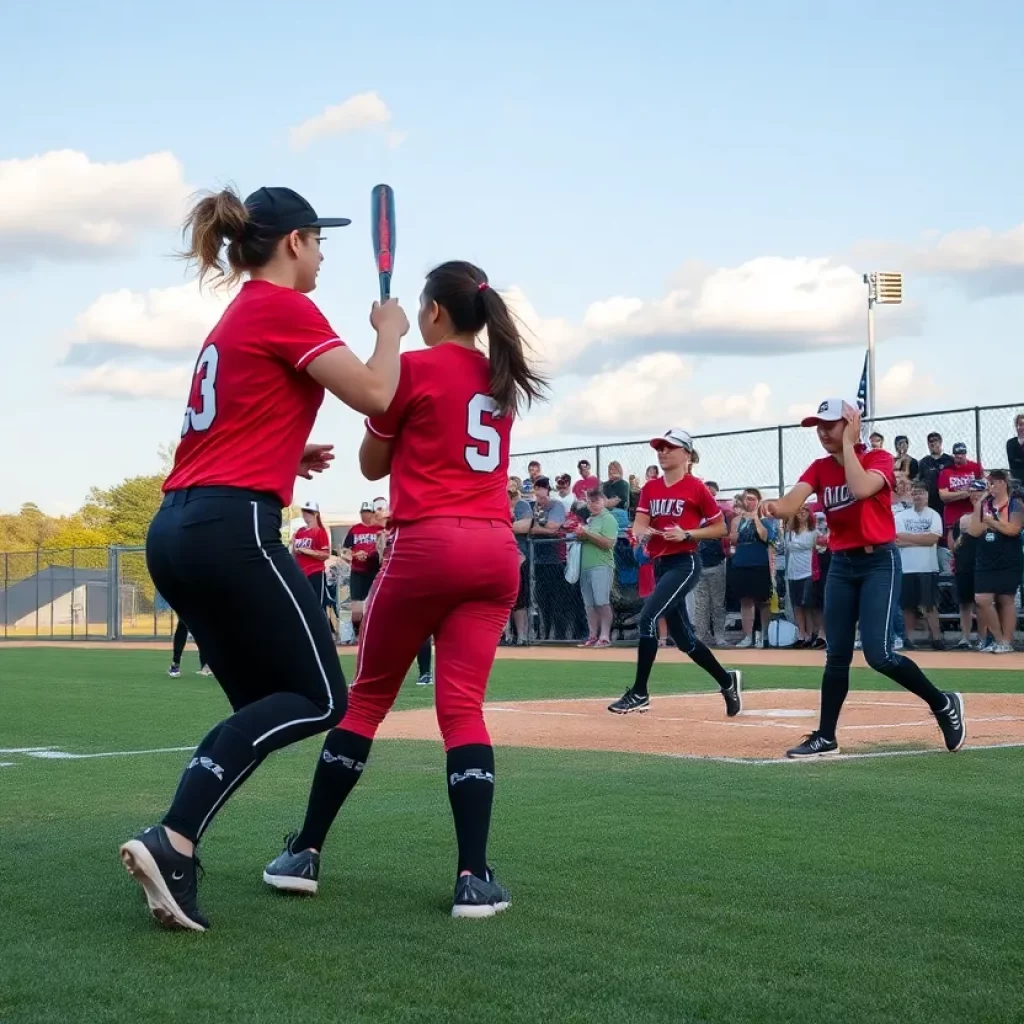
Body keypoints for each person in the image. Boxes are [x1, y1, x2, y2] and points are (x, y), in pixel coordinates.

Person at [118, 183, 409, 932]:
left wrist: (286, 448)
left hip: (178, 525)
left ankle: (176, 846)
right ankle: (171, 838)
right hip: (230, 525)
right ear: (294, 243)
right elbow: (378, 394)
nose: (320, 256)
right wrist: (389, 330)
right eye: (317, 241)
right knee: (318, 699)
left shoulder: (239, 311)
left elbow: (235, 413)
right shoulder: (286, 307)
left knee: (261, 705)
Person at [263, 260, 547, 919]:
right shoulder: (501, 378)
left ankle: (304, 853)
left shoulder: (415, 367)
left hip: (429, 543)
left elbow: (370, 462)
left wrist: (385, 341)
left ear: (435, 313)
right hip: (494, 549)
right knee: (462, 710)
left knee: (365, 703)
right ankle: (473, 877)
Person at [762, 399, 966, 759]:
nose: (823, 432)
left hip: (878, 562)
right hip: (841, 565)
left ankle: (943, 703)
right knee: (836, 655)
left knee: (880, 654)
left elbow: (858, 488)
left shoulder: (878, 459)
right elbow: (793, 500)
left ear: (852, 425)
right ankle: (826, 736)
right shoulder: (820, 467)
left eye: (831, 425)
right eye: (819, 427)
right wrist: (775, 507)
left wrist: (849, 446)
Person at [607, 429, 742, 717]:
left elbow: (719, 529)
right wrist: (642, 534)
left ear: (687, 454)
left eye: (670, 447)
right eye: (660, 447)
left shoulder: (696, 487)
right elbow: (640, 524)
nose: (662, 451)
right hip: (662, 565)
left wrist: (687, 534)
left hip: (686, 562)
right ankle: (727, 681)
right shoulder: (652, 487)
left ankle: (640, 693)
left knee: (648, 617)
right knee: (686, 642)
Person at [966, 469, 1023, 654]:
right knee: (982, 599)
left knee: (1006, 599)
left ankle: (1006, 641)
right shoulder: (985, 505)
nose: (993, 485)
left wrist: (992, 522)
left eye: (997, 481)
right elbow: (974, 531)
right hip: (986, 558)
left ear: (1004, 483)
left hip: (1008, 557)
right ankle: (998, 638)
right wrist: (980, 502)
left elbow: (1013, 529)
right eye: (991, 481)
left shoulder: (1015, 504)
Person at [894, 481, 945, 650]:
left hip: (927, 567)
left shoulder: (934, 515)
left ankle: (937, 639)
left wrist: (909, 538)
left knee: (929, 606)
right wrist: (922, 538)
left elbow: (933, 539)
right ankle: (907, 639)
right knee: (907, 607)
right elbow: (897, 541)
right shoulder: (900, 516)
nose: (918, 496)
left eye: (921, 493)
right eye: (915, 493)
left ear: (927, 495)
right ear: (910, 495)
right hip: (907, 567)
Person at [575, 488, 619, 647]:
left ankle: (605, 636)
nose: (593, 504)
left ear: (603, 501)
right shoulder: (590, 520)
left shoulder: (608, 519)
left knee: (601, 601)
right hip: (586, 566)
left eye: (596, 501)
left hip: (602, 565)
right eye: (590, 501)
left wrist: (586, 533)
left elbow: (608, 543)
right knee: (589, 603)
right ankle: (593, 635)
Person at [340, 502, 383, 641]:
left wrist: (374, 554)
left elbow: (384, 548)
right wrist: (355, 554)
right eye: (363, 512)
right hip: (358, 571)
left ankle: (373, 633)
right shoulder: (355, 529)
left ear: (372, 513)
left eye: (368, 512)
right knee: (356, 609)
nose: (365, 515)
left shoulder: (379, 529)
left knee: (375, 605)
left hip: (375, 570)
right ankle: (359, 633)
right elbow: (344, 550)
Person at [291, 501, 331, 606]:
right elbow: (294, 553)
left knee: (317, 603)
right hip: (301, 573)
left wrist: (308, 551)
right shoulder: (299, 531)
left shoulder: (320, 531)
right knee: (302, 603)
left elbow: (325, 555)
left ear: (315, 514)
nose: (305, 515)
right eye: (304, 512)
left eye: (308, 512)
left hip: (315, 572)